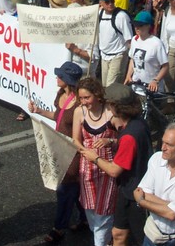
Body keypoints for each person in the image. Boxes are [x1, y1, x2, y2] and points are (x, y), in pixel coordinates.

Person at [78, 83, 151, 246]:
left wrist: (95, 158)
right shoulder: (138, 123)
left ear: (115, 107)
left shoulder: (129, 136)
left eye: (109, 104)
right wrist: (112, 141)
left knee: (142, 238)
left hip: (134, 192)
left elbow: (114, 170)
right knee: (118, 233)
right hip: (128, 189)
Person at [29, 62, 85, 243]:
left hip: (73, 152)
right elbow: (58, 116)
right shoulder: (61, 94)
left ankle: (59, 227)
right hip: (60, 147)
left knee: (65, 190)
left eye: (60, 75)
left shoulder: (80, 103)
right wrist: (38, 111)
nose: (56, 77)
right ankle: (85, 218)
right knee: (75, 190)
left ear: (67, 80)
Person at [72, 77, 117, 246]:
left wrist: (110, 141)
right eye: (81, 98)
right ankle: (107, 240)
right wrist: (85, 151)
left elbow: (124, 139)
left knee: (104, 212)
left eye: (87, 98)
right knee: (90, 209)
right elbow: (75, 139)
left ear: (97, 95)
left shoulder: (111, 111)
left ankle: (102, 242)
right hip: (87, 167)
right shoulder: (79, 112)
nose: (84, 102)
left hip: (107, 168)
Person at [125, 11, 169, 93]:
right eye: (135, 25)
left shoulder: (156, 43)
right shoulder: (134, 40)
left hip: (152, 88)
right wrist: (128, 76)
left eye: (140, 25)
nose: (137, 28)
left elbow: (165, 66)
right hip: (136, 86)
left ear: (148, 26)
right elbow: (132, 59)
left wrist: (156, 80)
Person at [98, 0, 133, 87]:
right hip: (104, 55)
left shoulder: (121, 16)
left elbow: (129, 39)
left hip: (118, 55)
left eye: (112, 1)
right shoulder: (99, 14)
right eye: (107, 2)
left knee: (111, 87)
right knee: (104, 86)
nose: (110, 4)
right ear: (101, 3)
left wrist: (132, 58)